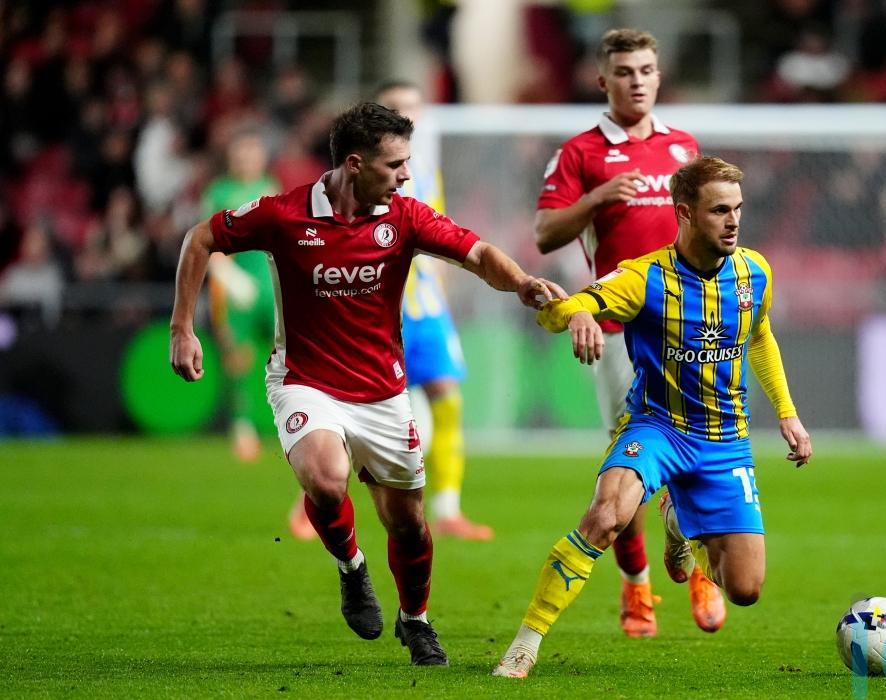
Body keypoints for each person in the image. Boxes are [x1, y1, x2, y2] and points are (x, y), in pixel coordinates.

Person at [169, 102, 563, 666]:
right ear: (355, 164)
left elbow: (476, 253)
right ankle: (352, 568)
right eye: (395, 164)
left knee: (409, 524)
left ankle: (416, 620)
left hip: (382, 390)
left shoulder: (404, 216)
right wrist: (183, 328)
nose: (406, 175)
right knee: (326, 479)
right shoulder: (283, 214)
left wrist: (521, 282)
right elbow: (199, 238)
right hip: (304, 380)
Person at [493, 156, 813, 678]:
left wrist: (788, 414)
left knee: (745, 589)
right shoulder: (643, 278)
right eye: (719, 210)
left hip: (725, 439)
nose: (733, 221)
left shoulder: (754, 272)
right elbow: (558, 313)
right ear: (684, 213)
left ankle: (679, 521)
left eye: (737, 209)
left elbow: (760, 336)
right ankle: (525, 644)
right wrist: (576, 312)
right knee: (605, 517)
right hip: (657, 428)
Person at [534, 27, 720, 638]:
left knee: (700, 451)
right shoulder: (580, 153)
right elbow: (545, 234)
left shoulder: (683, 147)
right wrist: (597, 197)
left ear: (658, 76)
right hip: (620, 332)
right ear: (602, 80)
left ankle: (697, 563)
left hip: (690, 328)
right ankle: (637, 585)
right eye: (624, 71)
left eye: (645, 70)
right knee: (631, 466)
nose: (636, 81)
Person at [287, 80, 493, 541]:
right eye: (399, 109)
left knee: (447, 399)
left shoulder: (426, 174)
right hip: (378, 309)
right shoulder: (360, 177)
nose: (410, 117)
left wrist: (442, 289)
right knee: (350, 413)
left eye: (415, 109)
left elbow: (439, 239)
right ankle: (312, 500)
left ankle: (448, 508)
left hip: (426, 308)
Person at [203, 130, 280, 463]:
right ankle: (242, 427)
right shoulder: (219, 192)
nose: (247, 160)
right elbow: (207, 243)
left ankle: (295, 420)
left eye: (253, 153)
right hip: (235, 291)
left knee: (290, 355)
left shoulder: (271, 187)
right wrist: (230, 277)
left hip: (271, 287)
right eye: (242, 154)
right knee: (239, 358)